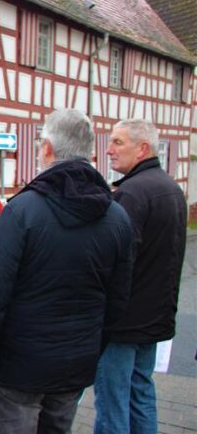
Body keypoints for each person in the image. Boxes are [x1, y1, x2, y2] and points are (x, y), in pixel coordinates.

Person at [0, 109, 133, 433]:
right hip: (73, 367)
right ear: (90, 153)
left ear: (47, 148)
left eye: (38, 145)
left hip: (17, 369)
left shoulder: (21, 212)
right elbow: (118, 303)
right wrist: (89, 350)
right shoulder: (117, 218)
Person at [94, 119, 187, 433]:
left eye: (118, 142)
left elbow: (117, 262)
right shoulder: (172, 189)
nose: (108, 150)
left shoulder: (131, 194)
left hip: (123, 324)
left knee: (112, 403)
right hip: (153, 319)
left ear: (143, 148)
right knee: (141, 393)